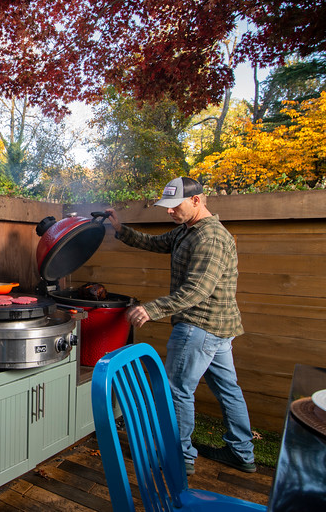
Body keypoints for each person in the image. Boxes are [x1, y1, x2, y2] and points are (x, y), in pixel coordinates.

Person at [105, 177, 255, 477]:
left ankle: (179, 457)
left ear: (198, 200)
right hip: (218, 328)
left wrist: (151, 308)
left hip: (199, 326)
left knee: (177, 391)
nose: (170, 212)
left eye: (175, 207)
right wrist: (121, 230)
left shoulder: (209, 237)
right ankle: (242, 452)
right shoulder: (188, 230)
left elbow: (197, 290)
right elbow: (155, 242)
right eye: (168, 207)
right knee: (228, 389)